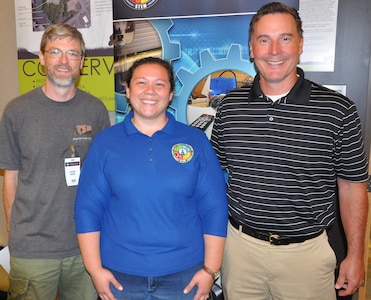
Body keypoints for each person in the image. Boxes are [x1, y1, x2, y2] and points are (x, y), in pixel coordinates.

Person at [210, 2, 369, 300]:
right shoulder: (229, 107)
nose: (274, 51)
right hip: (240, 251)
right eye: (263, 40)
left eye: (285, 38)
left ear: (300, 44)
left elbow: (352, 186)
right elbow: (212, 174)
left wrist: (356, 255)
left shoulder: (337, 109)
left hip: (306, 257)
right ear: (251, 48)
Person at [74, 56, 228, 300]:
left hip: (185, 277)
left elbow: (215, 209)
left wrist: (210, 270)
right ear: (128, 90)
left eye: (159, 84)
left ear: (170, 94)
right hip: (119, 277)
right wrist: (94, 270)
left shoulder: (195, 141)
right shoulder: (106, 142)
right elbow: (87, 209)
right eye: (141, 83)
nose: (150, 91)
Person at [0, 23, 110, 299]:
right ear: (41, 58)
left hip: (84, 245)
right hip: (33, 250)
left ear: (82, 62)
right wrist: (16, 236)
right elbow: (10, 179)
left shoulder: (95, 109)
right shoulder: (17, 111)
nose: (64, 61)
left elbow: (103, 178)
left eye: (72, 54)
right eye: (56, 52)